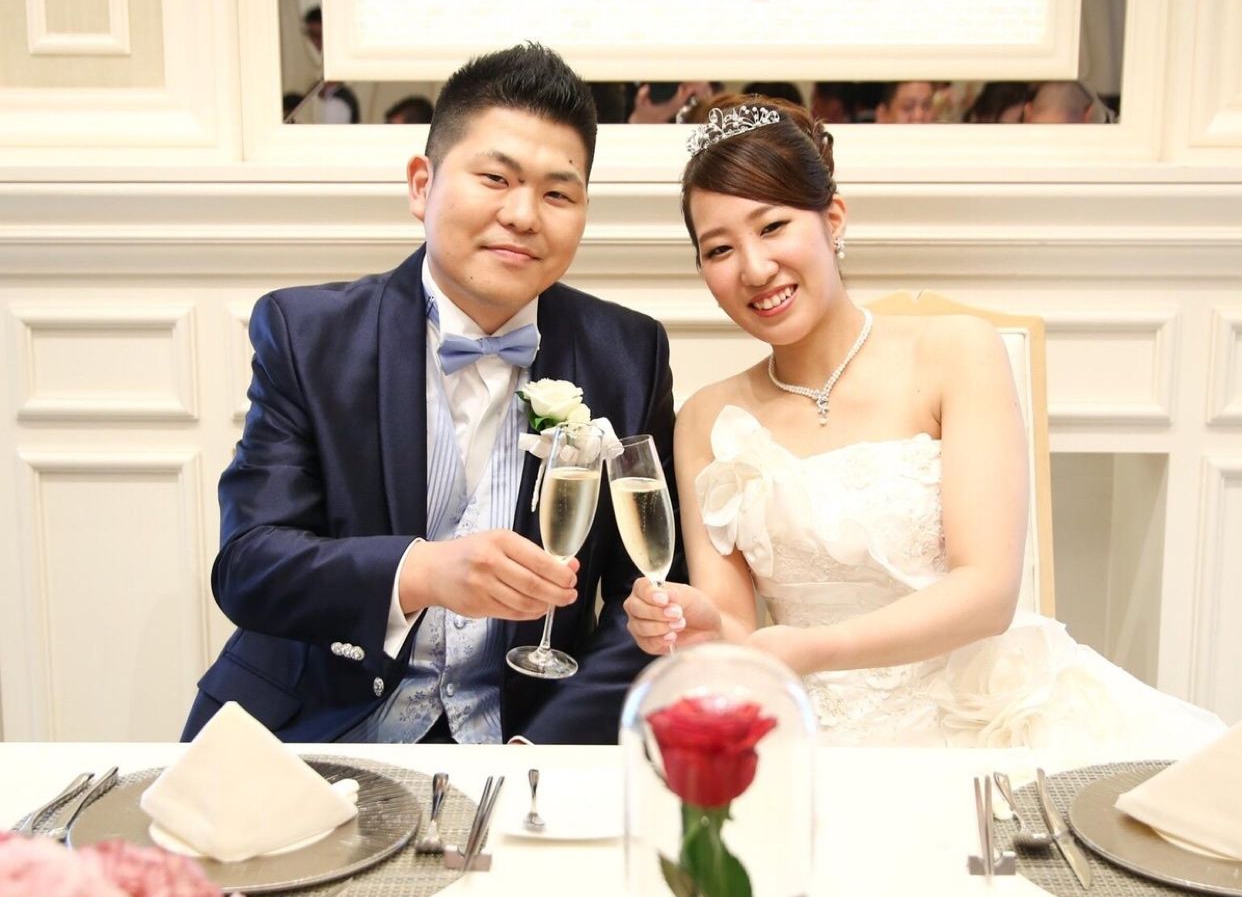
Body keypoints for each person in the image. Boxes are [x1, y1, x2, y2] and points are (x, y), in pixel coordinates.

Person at [623, 94, 1224, 751]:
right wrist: (707, 627)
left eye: (772, 227)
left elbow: (988, 591)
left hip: (983, 717)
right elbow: (739, 635)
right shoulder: (705, 419)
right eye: (719, 249)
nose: (754, 268)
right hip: (808, 733)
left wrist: (817, 649)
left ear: (833, 219)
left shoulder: (956, 351)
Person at [186, 43, 674, 745]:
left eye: (557, 193)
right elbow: (249, 566)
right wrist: (418, 571)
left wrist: (542, 747)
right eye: (495, 178)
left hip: (523, 736)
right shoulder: (308, 333)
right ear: (423, 184)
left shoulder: (628, 353)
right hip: (315, 728)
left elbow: (648, 598)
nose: (524, 215)